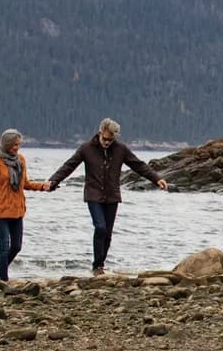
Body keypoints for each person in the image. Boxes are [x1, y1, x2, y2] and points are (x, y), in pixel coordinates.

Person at [47, 117, 167, 275]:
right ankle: (96, 266)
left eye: (110, 140)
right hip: (93, 195)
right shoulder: (86, 148)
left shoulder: (121, 149)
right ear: (100, 132)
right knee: (100, 227)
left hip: (112, 196)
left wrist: (156, 178)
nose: (107, 142)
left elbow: (138, 165)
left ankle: (100, 265)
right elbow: (69, 166)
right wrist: (53, 181)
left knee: (108, 233)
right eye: (105, 139)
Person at [0, 129, 51, 281]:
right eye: (15, 144)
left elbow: (25, 184)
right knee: (4, 245)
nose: (17, 147)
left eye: (18, 144)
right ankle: (3, 280)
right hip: (0, 211)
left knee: (16, 246)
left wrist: (43, 186)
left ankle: (1, 268)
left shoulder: (21, 160)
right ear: (7, 144)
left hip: (17, 210)